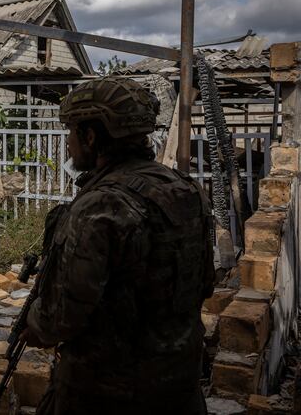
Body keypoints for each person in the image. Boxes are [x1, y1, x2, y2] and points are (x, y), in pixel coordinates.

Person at [23, 77, 215, 415]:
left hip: (107, 394)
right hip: (179, 386)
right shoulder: (186, 190)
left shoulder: (100, 205)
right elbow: (205, 284)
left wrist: (33, 325)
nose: (68, 144)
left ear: (91, 137)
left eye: (71, 133)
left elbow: (61, 318)